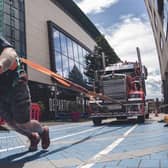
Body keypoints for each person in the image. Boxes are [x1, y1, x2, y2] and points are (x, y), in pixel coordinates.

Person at [0, 36, 50, 151]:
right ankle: (33, 137)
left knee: (23, 123)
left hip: (16, 86)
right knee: (11, 124)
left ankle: (43, 131)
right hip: (1, 93)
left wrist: (1, 64)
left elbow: (10, 54)